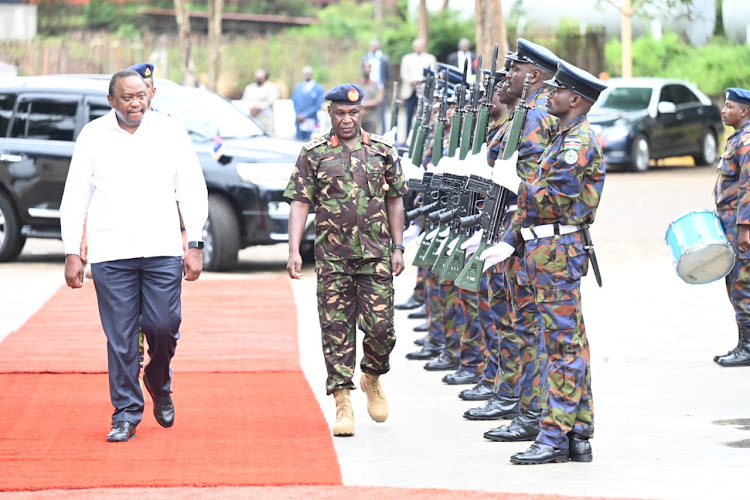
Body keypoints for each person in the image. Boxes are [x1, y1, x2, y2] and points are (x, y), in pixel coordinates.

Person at [60, 68, 209, 443]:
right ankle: (125, 413)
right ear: (111, 100)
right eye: (126, 97)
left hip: (161, 250)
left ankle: (158, 381)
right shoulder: (93, 135)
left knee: (163, 325)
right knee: (122, 338)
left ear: (151, 95)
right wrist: (71, 251)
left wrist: (194, 243)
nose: (135, 103)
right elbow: (76, 195)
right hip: (112, 254)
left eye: (141, 95)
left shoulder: (169, 132)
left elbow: (190, 187)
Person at [488, 60, 607, 464]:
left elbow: (551, 199)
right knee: (569, 342)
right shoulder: (562, 136)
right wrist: (508, 240)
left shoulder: (578, 143)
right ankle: (579, 433)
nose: (550, 95)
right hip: (544, 250)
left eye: (557, 91)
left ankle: (553, 436)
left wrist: (511, 184)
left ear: (574, 100)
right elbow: (534, 204)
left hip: (559, 252)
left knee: (561, 347)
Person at [284, 83, 407, 437]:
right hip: (333, 259)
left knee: (382, 330)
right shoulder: (315, 153)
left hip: (377, 256)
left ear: (362, 112)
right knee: (336, 332)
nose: (347, 119)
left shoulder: (383, 151)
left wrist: (398, 247)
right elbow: (300, 203)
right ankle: (342, 400)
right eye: (340, 113)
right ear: (330, 113)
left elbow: (396, 199)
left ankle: (372, 374)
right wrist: (294, 250)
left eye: (353, 113)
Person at [713, 88, 750, 367]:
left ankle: (747, 348)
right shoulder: (737, 139)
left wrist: (745, 228)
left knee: (742, 285)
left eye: (729, 106)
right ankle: (743, 344)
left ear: (744, 111)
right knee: (734, 282)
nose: (724, 111)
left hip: (739, 228)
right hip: (729, 223)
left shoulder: (747, 142)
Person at [400, 38, 437, 136]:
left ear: (424, 47)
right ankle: (407, 136)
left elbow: (433, 73)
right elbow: (404, 73)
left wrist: (423, 82)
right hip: (410, 90)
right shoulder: (407, 58)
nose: (419, 48)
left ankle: (423, 136)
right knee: (409, 115)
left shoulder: (430, 58)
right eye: (417, 46)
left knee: (424, 115)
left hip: (425, 90)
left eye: (421, 46)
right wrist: (412, 81)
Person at [362, 40, 390, 134]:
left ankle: (382, 133)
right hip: (368, 86)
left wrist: (382, 85)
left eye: (375, 46)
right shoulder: (365, 58)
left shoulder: (384, 58)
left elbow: (387, 74)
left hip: (379, 86)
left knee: (381, 112)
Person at [241, 68, 279, 136]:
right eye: (257, 77)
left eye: (260, 77)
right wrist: (252, 108)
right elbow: (245, 100)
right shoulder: (250, 87)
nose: (258, 79)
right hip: (253, 115)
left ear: (265, 77)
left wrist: (259, 107)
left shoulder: (271, 86)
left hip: (266, 117)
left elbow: (272, 99)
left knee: (268, 134)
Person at [291, 66, 325, 141]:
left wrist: (305, 114)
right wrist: (298, 115)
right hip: (299, 121)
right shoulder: (298, 87)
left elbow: (318, 105)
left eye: (308, 73)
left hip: (311, 120)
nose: (306, 75)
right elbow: (295, 101)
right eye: (305, 73)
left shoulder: (318, 88)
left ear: (311, 74)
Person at [359, 61, 384, 134]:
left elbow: (378, 100)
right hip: (358, 119)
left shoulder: (377, 85)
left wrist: (362, 105)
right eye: (365, 67)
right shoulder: (357, 84)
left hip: (371, 118)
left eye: (369, 67)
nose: (367, 69)